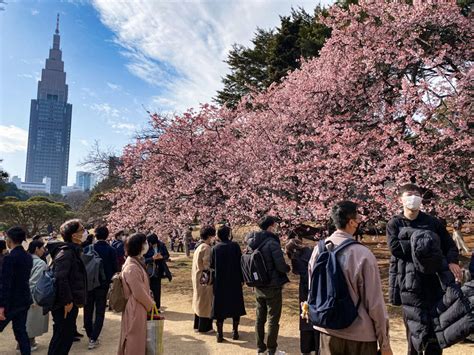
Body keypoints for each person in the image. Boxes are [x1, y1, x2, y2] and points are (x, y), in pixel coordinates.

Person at [308, 201, 392, 355]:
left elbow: (312, 290)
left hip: (327, 330)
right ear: (352, 222)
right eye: (358, 216)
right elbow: (375, 304)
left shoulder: (317, 250)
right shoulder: (363, 255)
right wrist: (384, 343)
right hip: (360, 335)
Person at [387, 184, 460, 355]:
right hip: (409, 285)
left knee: (436, 331)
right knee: (415, 333)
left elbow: (449, 245)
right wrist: (425, 244)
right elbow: (395, 248)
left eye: (416, 195)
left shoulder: (432, 222)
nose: (413, 198)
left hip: (434, 282)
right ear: (401, 200)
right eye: (408, 195)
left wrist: (452, 261)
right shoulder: (394, 223)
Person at [246, 216, 290, 355]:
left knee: (260, 318)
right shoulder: (272, 242)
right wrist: (288, 268)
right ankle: (272, 350)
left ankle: (260, 348)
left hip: (258, 285)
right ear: (271, 226)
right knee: (273, 318)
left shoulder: (251, 242)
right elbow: (281, 266)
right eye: (275, 225)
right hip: (273, 286)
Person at [47, 219, 87, 355]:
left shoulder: (72, 251)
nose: (85, 232)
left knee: (65, 336)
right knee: (62, 337)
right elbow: (60, 278)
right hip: (64, 304)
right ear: (74, 235)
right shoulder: (66, 253)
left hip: (68, 302)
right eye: (82, 230)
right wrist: (67, 301)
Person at [118, 233, 155, 355]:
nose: (147, 245)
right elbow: (138, 292)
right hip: (136, 307)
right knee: (135, 339)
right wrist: (151, 304)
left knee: (139, 338)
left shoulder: (135, 262)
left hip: (139, 305)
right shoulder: (132, 267)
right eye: (144, 243)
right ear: (139, 246)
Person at [0, 227, 33, 355]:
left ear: (10, 239)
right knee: (21, 331)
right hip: (23, 299)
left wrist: (1, 305)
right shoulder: (27, 256)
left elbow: (5, 283)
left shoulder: (10, 258)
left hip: (10, 302)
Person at [84, 226, 118, 350]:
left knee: (88, 310)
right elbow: (115, 267)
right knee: (99, 311)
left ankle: (89, 333)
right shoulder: (111, 250)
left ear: (95, 235)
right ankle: (94, 338)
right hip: (103, 285)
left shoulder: (87, 248)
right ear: (107, 235)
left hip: (88, 284)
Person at [211, 225, 246, 343]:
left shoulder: (215, 248)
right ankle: (235, 331)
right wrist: (242, 279)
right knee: (236, 305)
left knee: (219, 307)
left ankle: (219, 334)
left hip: (220, 282)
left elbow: (212, 266)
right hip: (234, 280)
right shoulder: (235, 246)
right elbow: (241, 263)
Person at [285, 237, 320, 355]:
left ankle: (306, 348)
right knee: (316, 316)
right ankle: (318, 346)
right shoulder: (311, 250)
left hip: (305, 290)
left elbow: (299, 273)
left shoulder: (296, 258)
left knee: (305, 317)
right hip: (318, 287)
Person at [26, 240, 49, 351]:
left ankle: (29, 342)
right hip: (33, 294)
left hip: (20, 294)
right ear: (36, 249)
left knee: (26, 320)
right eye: (42, 248)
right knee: (32, 320)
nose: (44, 250)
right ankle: (28, 344)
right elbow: (36, 282)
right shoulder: (40, 263)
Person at [192, 225, 215, 333]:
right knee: (205, 303)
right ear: (210, 236)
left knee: (199, 301)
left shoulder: (199, 246)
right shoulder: (206, 247)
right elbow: (207, 265)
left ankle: (197, 325)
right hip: (204, 279)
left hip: (198, 277)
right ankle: (205, 327)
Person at [144, 233, 170, 311]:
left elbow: (167, 255)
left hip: (158, 270)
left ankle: (157, 307)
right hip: (149, 270)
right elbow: (143, 259)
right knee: (149, 288)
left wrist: (162, 257)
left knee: (157, 289)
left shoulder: (161, 245)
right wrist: (152, 258)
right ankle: (149, 307)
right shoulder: (146, 247)